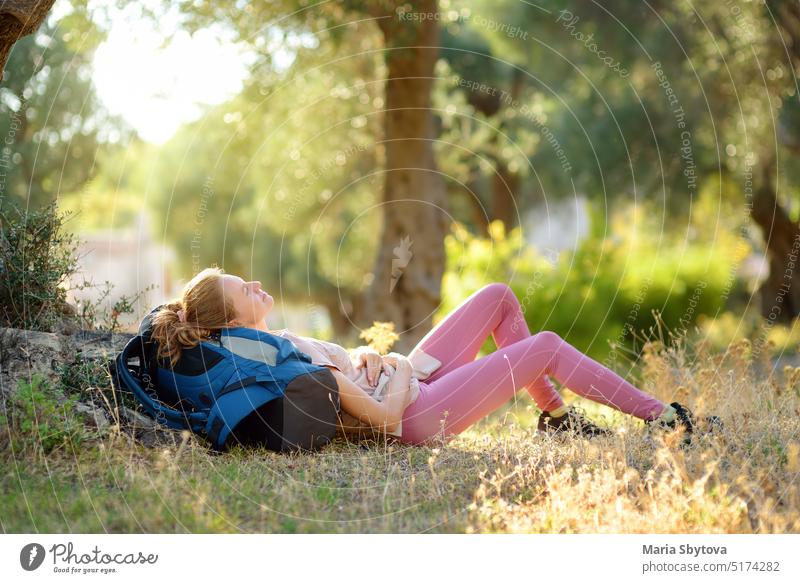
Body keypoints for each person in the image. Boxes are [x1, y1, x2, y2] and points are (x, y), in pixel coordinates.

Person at [151, 267, 717, 448]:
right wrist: (394, 366)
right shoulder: (280, 359)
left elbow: (349, 369)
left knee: (498, 296)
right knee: (543, 346)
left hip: (405, 383)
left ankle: (557, 420)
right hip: (416, 416)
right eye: (243, 289)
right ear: (231, 321)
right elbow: (385, 420)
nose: (255, 283)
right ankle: (663, 420)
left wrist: (368, 357)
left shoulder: (279, 340)